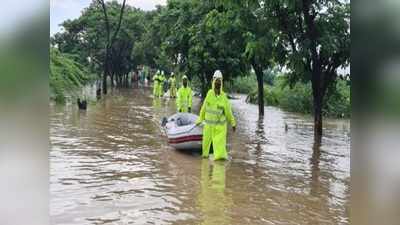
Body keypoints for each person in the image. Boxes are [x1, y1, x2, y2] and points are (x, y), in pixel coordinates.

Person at [196, 70, 236, 160]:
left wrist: (233, 123)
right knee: (205, 151)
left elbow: (228, 112)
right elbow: (204, 108)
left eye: (219, 81)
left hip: (219, 128)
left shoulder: (223, 97)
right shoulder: (209, 94)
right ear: (213, 81)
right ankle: (205, 164)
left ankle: (219, 170)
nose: (217, 83)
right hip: (208, 127)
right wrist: (199, 120)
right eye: (216, 81)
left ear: (221, 82)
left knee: (219, 154)